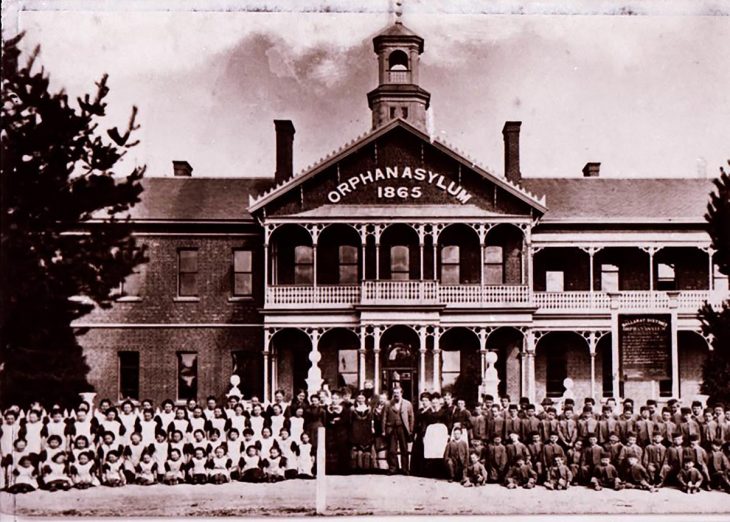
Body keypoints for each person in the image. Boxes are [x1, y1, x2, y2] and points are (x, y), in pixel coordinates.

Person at [381, 387, 414, 475]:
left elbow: (411, 417)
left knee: (404, 449)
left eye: (398, 393)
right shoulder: (388, 404)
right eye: (394, 393)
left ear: (401, 393)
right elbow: (384, 417)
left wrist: (410, 429)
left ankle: (405, 469)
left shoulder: (407, 404)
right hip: (391, 429)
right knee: (392, 450)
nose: (396, 394)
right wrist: (383, 430)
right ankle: (393, 468)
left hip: (402, 428)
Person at [350, 391, 374, 473]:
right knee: (357, 450)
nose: (361, 400)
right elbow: (350, 421)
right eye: (359, 398)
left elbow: (371, 420)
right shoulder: (353, 409)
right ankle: (356, 468)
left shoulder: (369, 408)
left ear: (365, 399)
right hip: (356, 429)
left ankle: (366, 468)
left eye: (362, 398)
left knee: (366, 449)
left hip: (366, 429)